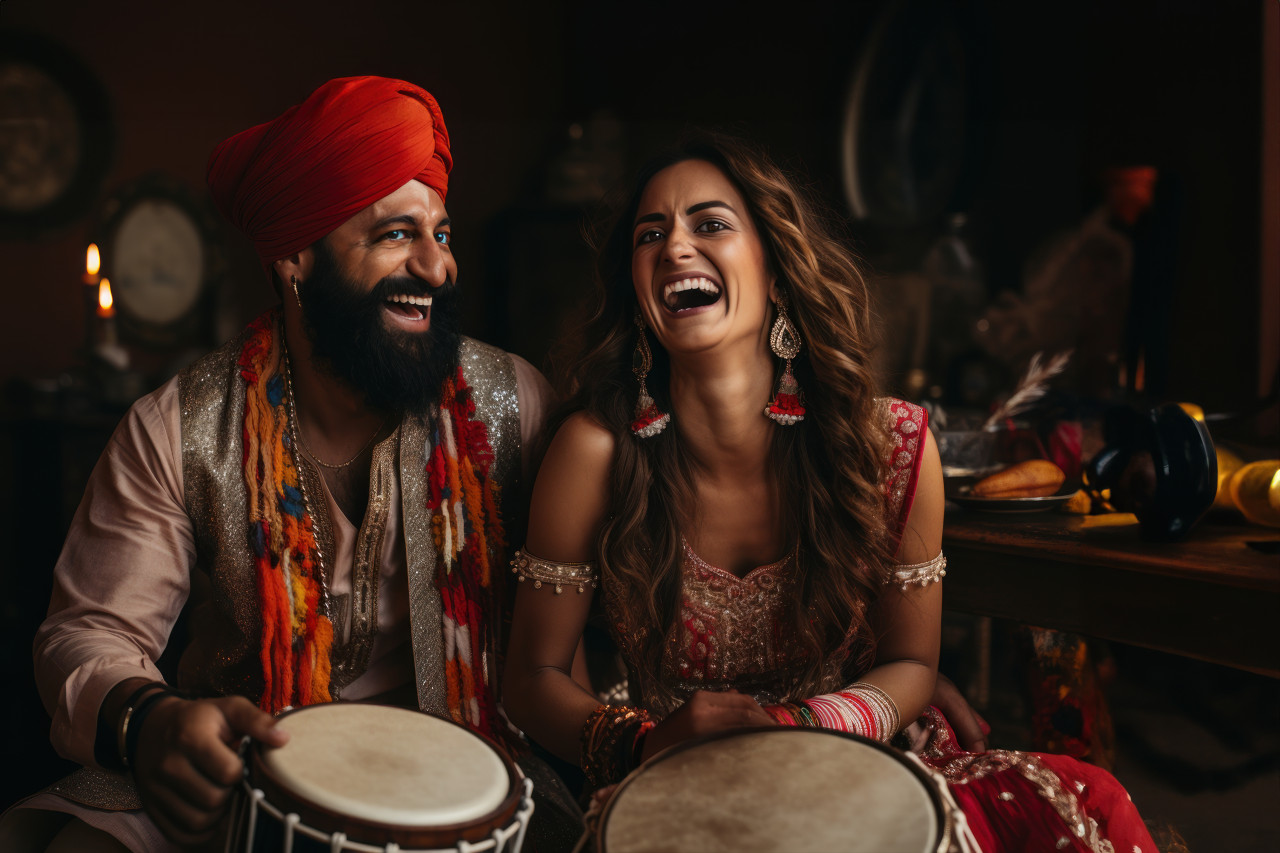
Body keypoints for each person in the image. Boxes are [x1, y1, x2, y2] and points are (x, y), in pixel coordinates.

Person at [502, 136, 1161, 852]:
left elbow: (911, 665)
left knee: (1086, 803)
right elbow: (531, 678)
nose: (676, 247)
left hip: (867, 765)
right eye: (650, 234)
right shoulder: (594, 451)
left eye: (711, 223)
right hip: (674, 784)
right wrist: (644, 743)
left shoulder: (888, 447)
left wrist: (799, 728)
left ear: (777, 272)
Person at [2, 77, 578, 853]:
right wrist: (154, 720)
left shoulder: (514, 402)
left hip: (473, 774)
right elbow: (88, 634)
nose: (437, 268)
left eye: (440, 234)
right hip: (246, 768)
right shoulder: (178, 426)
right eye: (395, 234)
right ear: (295, 258)